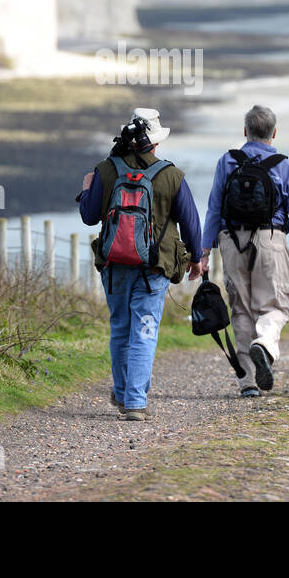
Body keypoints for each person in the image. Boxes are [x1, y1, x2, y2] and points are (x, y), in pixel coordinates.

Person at [79, 108, 205, 420]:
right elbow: (191, 224)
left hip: (114, 265)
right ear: (155, 144)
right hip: (155, 267)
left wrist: (86, 189)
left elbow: (89, 216)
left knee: (120, 328)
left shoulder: (106, 170)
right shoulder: (171, 176)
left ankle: (124, 394)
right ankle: (134, 401)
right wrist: (197, 259)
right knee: (144, 331)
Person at [201, 105, 289, 397]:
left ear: (245, 131)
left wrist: (204, 251)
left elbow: (214, 206)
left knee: (240, 308)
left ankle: (247, 382)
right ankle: (265, 343)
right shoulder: (285, 166)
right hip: (270, 238)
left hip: (231, 240)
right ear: (274, 133)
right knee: (274, 307)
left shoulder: (227, 161)